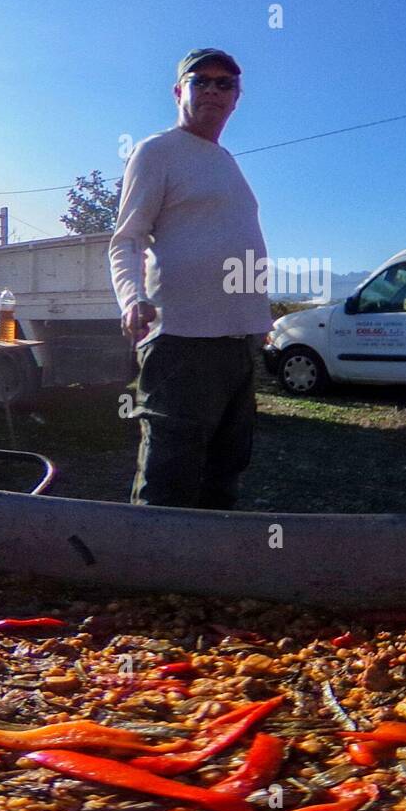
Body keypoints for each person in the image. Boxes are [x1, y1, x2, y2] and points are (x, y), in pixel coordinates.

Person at [107, 48, 272, 510]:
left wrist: (258, 319)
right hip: (181, 340)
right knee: (171, 471)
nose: (214, 91)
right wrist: (132, 298)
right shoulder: (157, 152)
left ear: (237, 98)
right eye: (202, 81)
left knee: (226, 466)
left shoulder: (227, 164)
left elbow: (241, 244)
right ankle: (154, 568)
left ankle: (205, 566)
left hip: (235, 344)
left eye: (226, 84)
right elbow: (127, 239)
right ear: (180, 91)